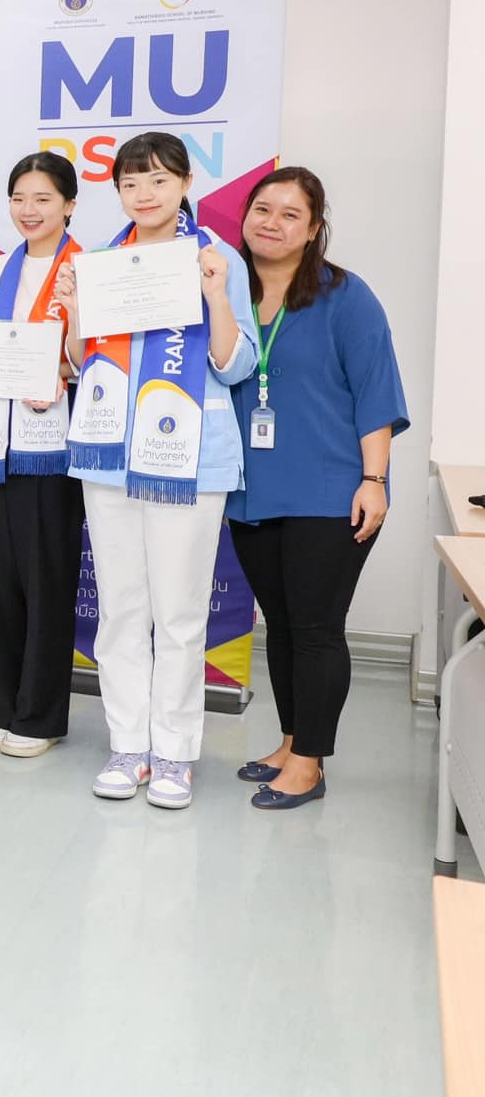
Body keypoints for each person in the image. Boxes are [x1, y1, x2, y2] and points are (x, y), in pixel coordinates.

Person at [53, 132, 258, 809]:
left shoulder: (213, 256)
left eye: (159, 181)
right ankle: (127, 745)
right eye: (132, 183)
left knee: (176, 614)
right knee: (120, 611)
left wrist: (217, 295)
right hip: (110, 457)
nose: (144, 195)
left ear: (185, 184)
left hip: (187, 459)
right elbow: (83, 365)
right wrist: (75, 307)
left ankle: (173, 755)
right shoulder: (106, 260)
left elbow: (235, 365)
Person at [226, 167, 407, 809]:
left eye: (290, 214)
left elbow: (376, 392)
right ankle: (290, 739)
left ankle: (310, 763)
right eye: (262, 209)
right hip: (251, 491)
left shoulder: (344, 295)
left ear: (314, 230)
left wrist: (374, 479)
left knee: (318, 627)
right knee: (280, 624)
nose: (270, 222)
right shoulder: (229, 293)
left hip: (331, 490)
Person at [0, 153, 86, 759]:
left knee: (46, 580)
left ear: (68, 203)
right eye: (19, 198)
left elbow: (97, 360)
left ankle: (38, 716)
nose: (29, 210)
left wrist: (59, 367)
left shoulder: (88, 269)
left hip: (52, 446)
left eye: (42, 198)